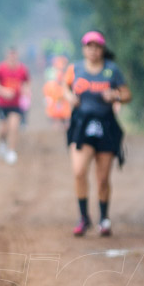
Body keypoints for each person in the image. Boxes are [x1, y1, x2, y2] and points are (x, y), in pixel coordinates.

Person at [64, 31, 131, 236]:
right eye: (89, 46)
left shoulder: (112, 71)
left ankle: (103, 218)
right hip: (82, 125)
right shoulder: (75, 69)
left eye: (97, 46)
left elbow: (127, 94)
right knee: (78, 171)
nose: (93, 50)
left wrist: (115, 96)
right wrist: (69, 97)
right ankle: (84, 218)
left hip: (106, 125)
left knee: (102, 178)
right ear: (84, 49)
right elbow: (64, 88)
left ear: (102, 49)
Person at [0, 46, 29, 166]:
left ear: (17, 56)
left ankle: (11, 151)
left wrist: (26, 92)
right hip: (3, 104)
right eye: (10, 55)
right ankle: (1, 142)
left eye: (14, 55)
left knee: (14, 126)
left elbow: (26, 83)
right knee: (3, 129)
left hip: (16, 104)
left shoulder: (22, 69)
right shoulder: (0, 69)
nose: (12, 58)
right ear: (7, 56)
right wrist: (3, 91)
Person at [42, 54, 71, 131]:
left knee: (66, 126)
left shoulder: (69, 73)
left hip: (64, 109)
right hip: (55, 109)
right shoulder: (52, 75)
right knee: (57, 126)